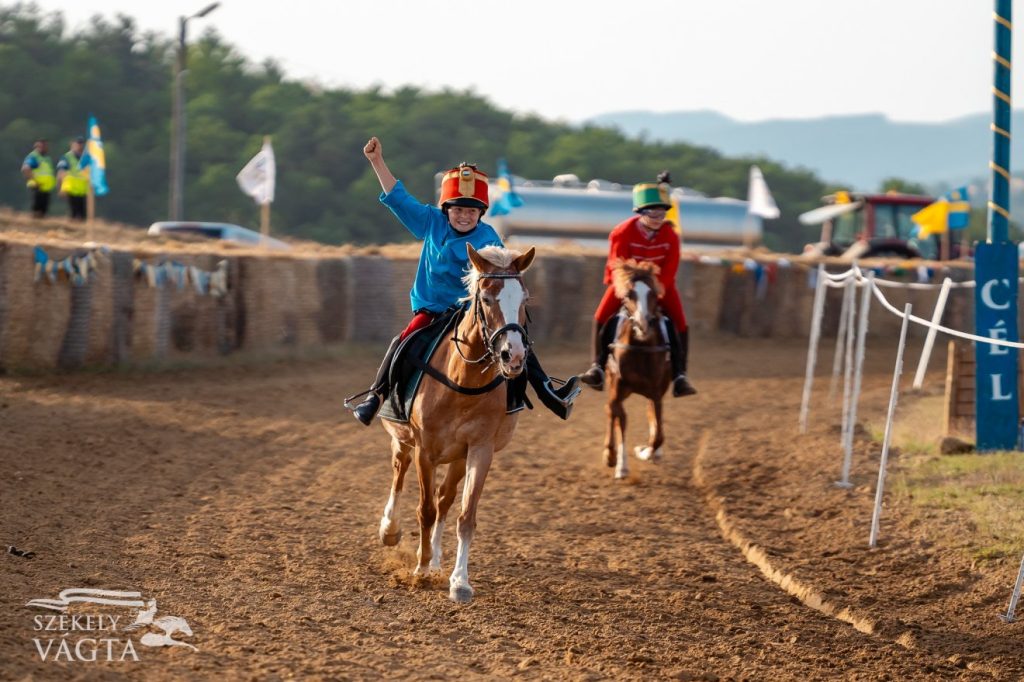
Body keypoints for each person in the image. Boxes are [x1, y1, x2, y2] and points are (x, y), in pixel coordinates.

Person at [348, 136, 580, 425]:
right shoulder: (430, 221)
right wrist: (376, 161)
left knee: (518, 340)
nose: (464, 216)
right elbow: (398, 198)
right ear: (446, 209)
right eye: (458, 209)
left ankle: (549, 392)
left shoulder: (488, 237)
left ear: (480, 213)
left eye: (471, 211)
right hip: (432, 308)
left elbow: (501, 273)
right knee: (402, 341)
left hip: (471, 311)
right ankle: (376, 397)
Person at [578, 172, 697, 397]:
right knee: (600, 317)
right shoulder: (622, 232)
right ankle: (597, 366)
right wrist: (628, 291)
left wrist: (656, 289)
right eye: (651, 211)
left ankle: (681, 374)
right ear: (640, 212)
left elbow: (671, 267)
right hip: (626, 285)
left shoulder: (671, 235)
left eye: (661, 211)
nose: (657, 216)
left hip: (660, 285)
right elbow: (617, 265)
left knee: (680, 323)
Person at [56, 136, 91, 221]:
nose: (80, 146)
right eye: (78, 144)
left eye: (81, 144)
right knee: (74, 212)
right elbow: (61, 172)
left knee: (83, 214)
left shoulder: (86, 158)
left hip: (83, 190)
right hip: (71, 189)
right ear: (72, 144)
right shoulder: (67, 157)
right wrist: (60, 187)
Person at [21, 139, 55, 218]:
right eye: (42, 146)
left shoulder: (46, 158)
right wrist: (34, 180)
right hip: (38, 186)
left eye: (45, 146)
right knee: (37, 209)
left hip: (46, 187)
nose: (44, 148)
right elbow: (26, 169)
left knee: (44, 209)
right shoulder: (34, 157)